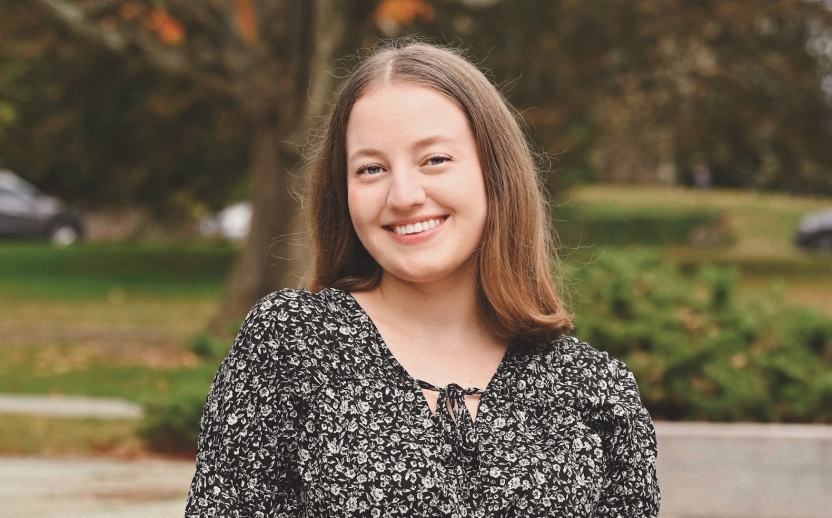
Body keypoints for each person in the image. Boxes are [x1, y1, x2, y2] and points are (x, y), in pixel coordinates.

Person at [186, 42, 660, 517]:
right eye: (371, 169)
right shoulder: (292, 343)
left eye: (434, 159)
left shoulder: (594, 389)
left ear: (495, 173)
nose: (405, 195)